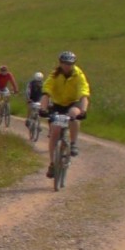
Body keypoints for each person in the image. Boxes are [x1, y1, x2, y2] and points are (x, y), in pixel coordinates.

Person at [39, 51, 90, 179]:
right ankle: (52, 164)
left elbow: (84, 94)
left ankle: (73, 143)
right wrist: (43, 109)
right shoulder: (55, 74)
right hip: (57, 104)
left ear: (74, 64)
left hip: (73, 102)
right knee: (55, 132)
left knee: (73, 114)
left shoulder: (78, 75)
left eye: (70, 63)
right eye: (65, 63)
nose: (67, 66)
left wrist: (83, 111)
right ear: (60, 63)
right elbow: (46, 92)